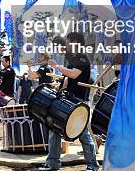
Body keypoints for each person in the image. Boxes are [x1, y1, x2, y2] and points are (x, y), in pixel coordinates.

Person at [41, 32, 99, 171]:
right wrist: (60, 87)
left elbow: (74, 74)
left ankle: (92, 165)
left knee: (82, 133)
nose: (66, 44)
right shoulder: (71, 59)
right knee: (54, 127)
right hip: (69, 98)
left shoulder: (82, 58)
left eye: (68, 42)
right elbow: (69, 78)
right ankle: (53, 163)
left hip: (79, 101)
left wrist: (56, 66)